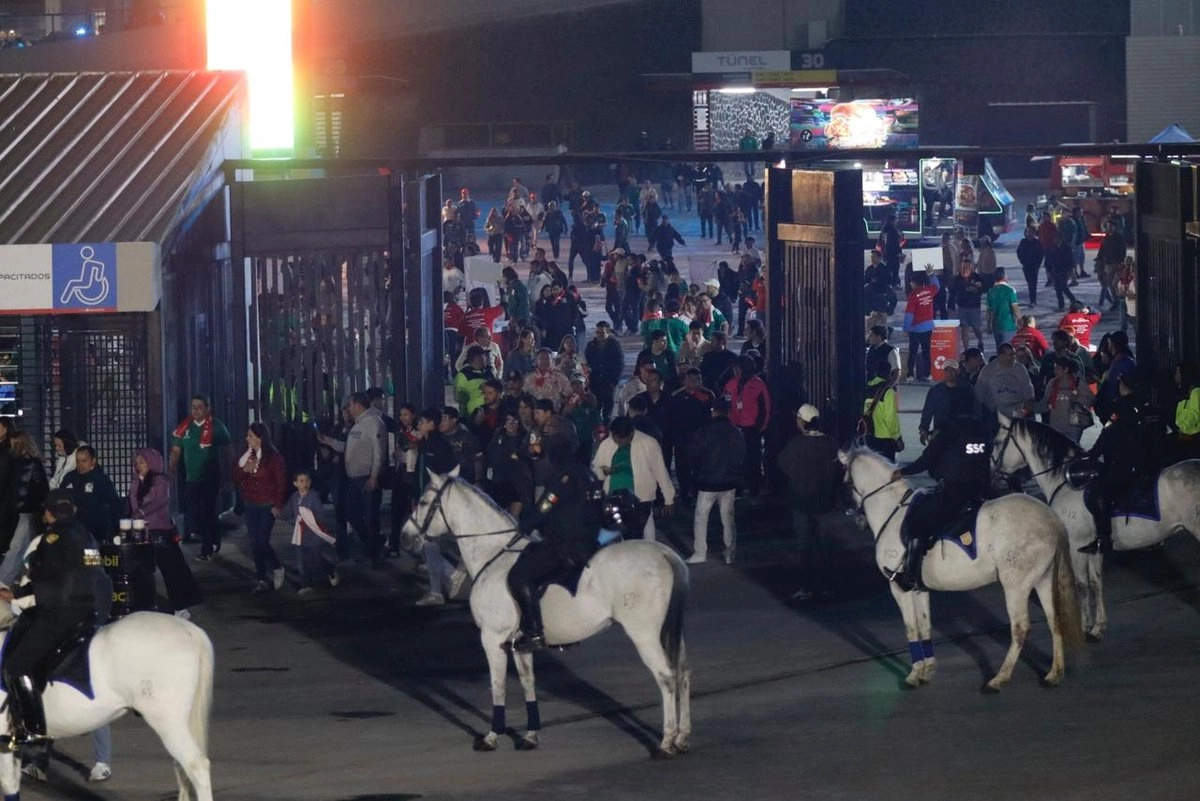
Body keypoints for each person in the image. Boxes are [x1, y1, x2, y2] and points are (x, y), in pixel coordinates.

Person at [0, 490, 106, 749]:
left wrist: (16, 593)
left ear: (48, 513)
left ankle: (32, 729)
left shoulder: (51, 538)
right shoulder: (86, 534)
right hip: (89, 609)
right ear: (73, 510)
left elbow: (43, 577)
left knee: (15, 665)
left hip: (61, 612)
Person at [507, 433, 604, 652]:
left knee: (519, 577)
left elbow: (545, 507)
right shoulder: (587, 473)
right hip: (590, 542)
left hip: (565, 545)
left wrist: (524, 526)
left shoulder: (563, 477)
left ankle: (534, 632)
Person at [892, 414, 993, 590]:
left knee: (918, 524)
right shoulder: (981, 429)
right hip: (982, 490)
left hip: (956, 492)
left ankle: (909, 577)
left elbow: (927, 460)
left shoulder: (948, 431)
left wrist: (904, 472)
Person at [1079, 371, 1166, 554]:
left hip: (1126, 466)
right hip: (1150, 465)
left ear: (1125, 385)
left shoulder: (1121, 407)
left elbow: (1107, 434)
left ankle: (1104, 538)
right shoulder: (1150, 406)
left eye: (1120, 383)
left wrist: (1091, 456)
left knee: (1098, 492)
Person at [776, 404, 841, 599]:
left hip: (801, 502)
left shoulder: (796, 444)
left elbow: (783, 464)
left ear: (802, 421)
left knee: (804, 547)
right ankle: (828, 586)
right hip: (826, 502)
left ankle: (806, 587)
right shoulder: (830, 443)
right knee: (825, 546)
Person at [127, 448, 202, 616]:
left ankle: (182, 606)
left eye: (142, 462)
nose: (139, 466)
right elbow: (133, 502)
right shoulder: (137, 481)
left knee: (172, 569)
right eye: (137, 463)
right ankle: (145, 605)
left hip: (160, 530)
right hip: (142, 531)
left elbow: (158, 501)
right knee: (143, 569)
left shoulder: (160, 481)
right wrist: (136, 485)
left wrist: (140, 513)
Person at [318, 392, 387, 567]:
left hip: (366, 477)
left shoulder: (373, 423)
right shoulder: (358, 424)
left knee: (370, 518)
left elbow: (379, 452)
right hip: (354, 479)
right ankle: (373, 545)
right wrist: (330, 442)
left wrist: (374, 476)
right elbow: (348, 447)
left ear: (357, 405)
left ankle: (374, 555)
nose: (348, 409)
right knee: (351, 513)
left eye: (349, 405)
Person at [170, 395, 233, 560]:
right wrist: (172, 468)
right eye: (193, 407)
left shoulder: (217, 427)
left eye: (199, 407)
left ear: (207, 408)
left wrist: (230, 473)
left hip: (210, 477)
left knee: (207, 510)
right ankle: (213, 536)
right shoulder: (185, 428)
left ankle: (207, 548)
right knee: (194, 510)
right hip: (191, 478)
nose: (196, 410)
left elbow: (228, 450)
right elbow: (176, 450)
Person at [592, 415, 674, 541]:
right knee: (617, 533)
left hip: (641, 500)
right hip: (614, 497)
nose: (619, 443)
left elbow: (660, 472)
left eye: (622, 440)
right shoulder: (607, 444)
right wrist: (604, 472)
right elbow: (596, 470)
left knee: (635, 534)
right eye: (616, 439)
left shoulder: (648, 443)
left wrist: (669, 499)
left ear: (631, 434)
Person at [687, 396, 744, 565]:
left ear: (713, 411)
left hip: (708, 481)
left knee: (701, 517)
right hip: (729, 482)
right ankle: (729, 552)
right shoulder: (737, 432)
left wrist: (696, 475)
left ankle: (700, 552)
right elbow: (741, 456)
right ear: (728, 412)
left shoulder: (704, 432)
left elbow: (694, 455)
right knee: (728, 518)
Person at [233, 423, 288, 594]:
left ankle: (277, 567)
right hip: (250, 503)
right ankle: (262, 578)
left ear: (260, 438)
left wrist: (278, 504)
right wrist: (245, 470)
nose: (247, 438)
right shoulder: (246, 455)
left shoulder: (274, 458)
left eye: (250, 435)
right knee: (254, 543)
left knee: (262, 541)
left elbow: (281, 482)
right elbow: (235, 478)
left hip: (266, 504)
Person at [0, 433, 48, 588]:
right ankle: (17, 581)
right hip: (28, 510)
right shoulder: (34, 463)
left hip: (17, 510)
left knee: (17, 547)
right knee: (23, 547)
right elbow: (42, 488)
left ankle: (4, 580)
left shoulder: (13, 462)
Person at [279, 470, 338, 595]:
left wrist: (309, 516)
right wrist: (279, 513)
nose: (304, 484)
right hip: (300, 534)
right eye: (301, 481)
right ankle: (306, 584)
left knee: (316, 560)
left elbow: (320, 515)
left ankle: (330, 569)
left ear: (310, 482)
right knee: (301, 561)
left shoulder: (313, 497)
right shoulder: (294, 497)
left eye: (307, 481)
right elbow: (288, 512)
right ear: (295, 483)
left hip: (312, 535)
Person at [724, 356, 771, 497]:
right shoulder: (731, 383)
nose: (734, 370)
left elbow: (765, 408)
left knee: (752, 458)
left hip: (751, 428)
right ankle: (737, 488)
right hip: (734, 427)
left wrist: (760, 427)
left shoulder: (758, 384)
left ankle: (753, 487)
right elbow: (725, 403)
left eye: (736, 367)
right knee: (736, 459)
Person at [59, 446, 121, 545]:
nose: (80, 465)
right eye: (78, 461)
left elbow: (113, 505)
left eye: (84, 461)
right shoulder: (69, 477)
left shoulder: (101, 479)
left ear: (93, 461)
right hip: (72, 531)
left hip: (95, 533)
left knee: (92, 554)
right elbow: (60, 498)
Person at [1033, 356, 1095, 442]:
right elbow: (1045, 402)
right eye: (1054, 368)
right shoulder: (1052, 383)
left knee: (1072, 447)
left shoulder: (1077, 382)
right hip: (1056, 424)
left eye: (1058, 368)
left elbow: (1090, 399)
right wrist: (1033, 407)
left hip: (1074, 424)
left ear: (1066, 369)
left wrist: (1076, 398)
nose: (1055, 371)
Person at [917, 362, 976, 445]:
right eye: (946, 370)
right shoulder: (935, 391)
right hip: (941, 430)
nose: (950, 372)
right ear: (943, 372)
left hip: (962, 431)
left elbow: (975, 410)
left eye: (952, 370)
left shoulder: (968, 389)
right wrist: (924, 429)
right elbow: (928, 411)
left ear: (958, 371)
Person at [975, 342, 1035, 420]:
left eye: (1014, 354)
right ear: (1001, 356)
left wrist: (1029, 405)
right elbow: (979, 392)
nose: (1014, 357)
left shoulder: (1020, 369)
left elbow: (1028, 389)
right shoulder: (988, 370)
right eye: (1010, 355)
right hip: (994, 413)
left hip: (1017, 411)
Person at [903, 270, 938, 382]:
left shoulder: (913, 295)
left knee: (912, 352)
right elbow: (937, 286)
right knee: (926, 352)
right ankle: (928, 374)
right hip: (928, 327)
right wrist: (932, 275)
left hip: (916, 329)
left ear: (914, 283)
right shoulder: (929, 291)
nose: (910, 284)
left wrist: (906, 328)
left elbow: (909, 314)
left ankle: (910, 375)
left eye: (911, 282)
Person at [863, 362, 902, 460]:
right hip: (885, 439)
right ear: (889, 374)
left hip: (868, 436)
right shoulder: (888, 392)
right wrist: (897, 437)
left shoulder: (866, 389)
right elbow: (890, 419)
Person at [585, 321, 623, 420]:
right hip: (595, 382)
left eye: (601, 333)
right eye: (597, 332)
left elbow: (619, 363)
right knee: (595, 408)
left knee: (608, 410)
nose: (599, 335)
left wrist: (614, 380)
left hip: (608, 382)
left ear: (608, 332)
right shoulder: (591, 345)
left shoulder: (615, 345)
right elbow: (586, 361)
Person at [948, 254, 985, 354]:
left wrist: (977, 289)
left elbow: (983, 288)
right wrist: (951, 307)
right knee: (964, 327)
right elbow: (952, 292)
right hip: (962, 306)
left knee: (976, 327)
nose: (964, 269)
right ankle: (966, 349)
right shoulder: (957, 279)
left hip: (974, 307)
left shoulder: (977, 277)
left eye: (967, 267)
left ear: (971, 268)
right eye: (963, 267)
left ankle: (980, 341)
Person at [985, 267, 1020, 350]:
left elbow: (988, 311)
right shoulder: (1010, 290)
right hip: (1008, 325)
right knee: (1008, 349)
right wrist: (1020, 320)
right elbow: (1015, 308)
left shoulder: (990, 291)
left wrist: (988, 325)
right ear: (1004, 276)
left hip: (995, 325)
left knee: (999, 349)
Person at [1016, 226, 1044, 306]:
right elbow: (1019, 252)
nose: (1029, 233)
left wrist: (1038, 264)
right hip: (1026, 265)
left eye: (1031, 231)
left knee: (1033, 283)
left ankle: (1033, 300)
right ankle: (1032, 299)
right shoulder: (1023, 242)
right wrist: (1022, 261)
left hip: (1034, 266)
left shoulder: (1037, 243)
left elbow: (1041, 254)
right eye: (1028, 232)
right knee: (1029, 282)